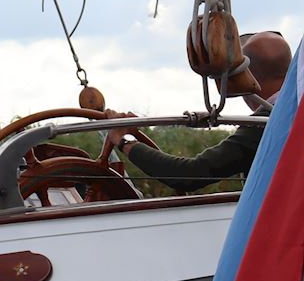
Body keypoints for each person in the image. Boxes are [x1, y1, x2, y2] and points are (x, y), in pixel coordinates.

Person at [106, 31, 292, 194]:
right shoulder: (293, 111)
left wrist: (123, 141)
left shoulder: (267, 124)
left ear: (244, 76)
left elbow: (190, 174)